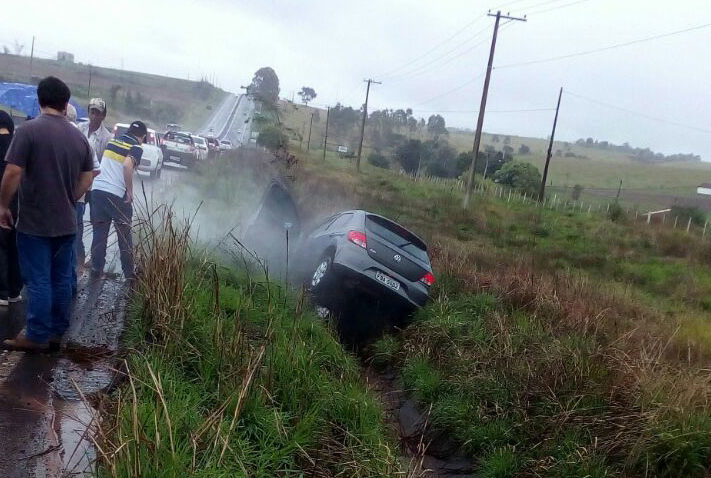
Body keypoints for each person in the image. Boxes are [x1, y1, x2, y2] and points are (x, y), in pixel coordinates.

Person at [0, 76, 94, 352]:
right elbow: (88, 177)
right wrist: (69, 197)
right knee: (61, 277)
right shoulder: (79, 137)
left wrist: (3, 206)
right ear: (65, 104)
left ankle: (37, 335)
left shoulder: (29, 131)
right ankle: (55, 332)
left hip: (35, 222)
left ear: (40, 99)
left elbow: (14, 171)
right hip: (66, 221)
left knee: (38, 279)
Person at [90, 120, 144, 280]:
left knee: (99, 233)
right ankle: (129, 274)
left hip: (98, 190)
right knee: (124, 236)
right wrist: (130, 191)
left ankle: (96, 268)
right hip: (117, 195)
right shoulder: (136, 147)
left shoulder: (113, 141)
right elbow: (127, 166)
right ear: (143, 136)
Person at [66, 104, 101, 294]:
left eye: (98, 112)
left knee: (70, 237)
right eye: (91, 111)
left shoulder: (90, 139)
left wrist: (75, 193)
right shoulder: (82, 135)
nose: (94, 115)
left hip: (73, 198)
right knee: (70, 238)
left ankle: (68, 282)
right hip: (76, 198)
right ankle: (69, 283)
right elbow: (95, 169)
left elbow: (95, 170)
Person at [0, 111, 22, 307]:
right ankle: (15, 291)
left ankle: (2, 291)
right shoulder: (15, 145)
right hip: (17, 203)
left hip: (2, 203)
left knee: (0, 246)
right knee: (13, 246)